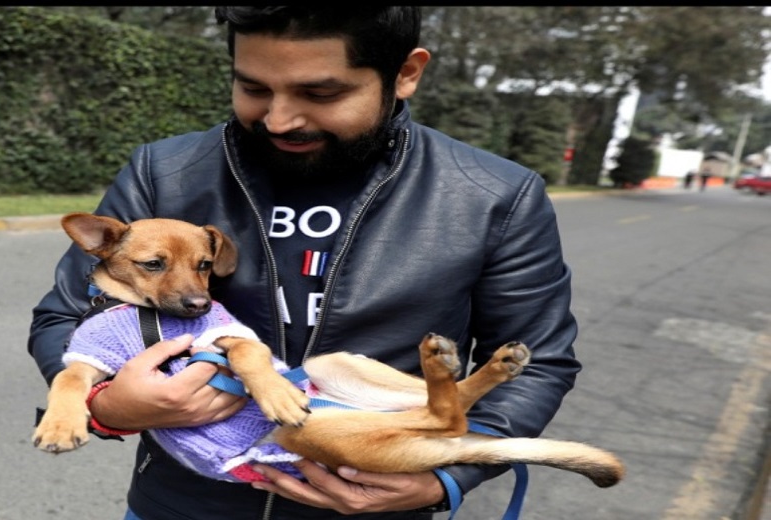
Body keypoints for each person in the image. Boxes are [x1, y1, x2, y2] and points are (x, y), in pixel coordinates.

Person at [28, 6, 581, 520]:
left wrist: (447, 475)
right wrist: (109, 405)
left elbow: (542, 360)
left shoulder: (494, 196)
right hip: (179, 505)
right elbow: (67, 317)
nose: (279, 119)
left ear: (406, 73)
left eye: (320, 92)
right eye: (253, 88)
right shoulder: (164, 171)